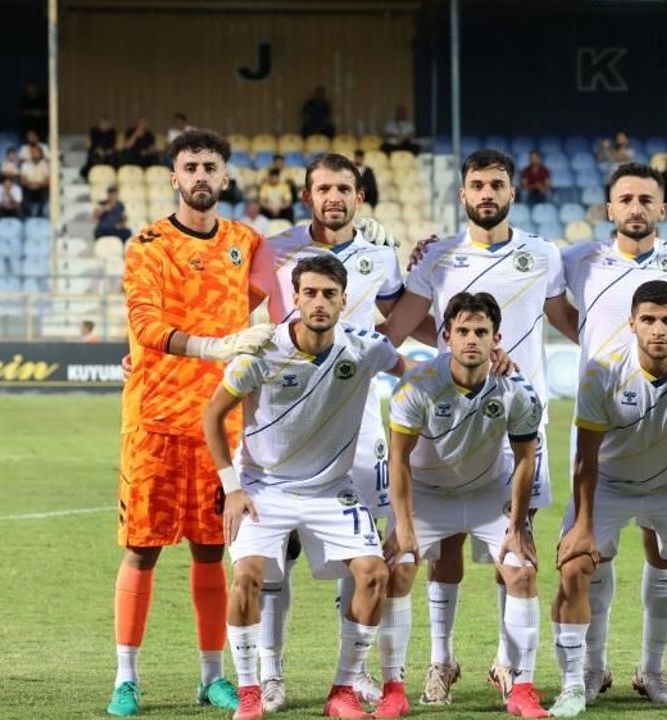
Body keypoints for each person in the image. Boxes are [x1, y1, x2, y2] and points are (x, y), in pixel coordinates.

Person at [377, 149, 576, 710]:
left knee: (516, 548)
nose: (487, 193)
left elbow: (570, 322)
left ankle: (509, 665)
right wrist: (463, 353)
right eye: (477, 185)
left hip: (518, 422)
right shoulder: (438, 256)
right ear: (462, 194)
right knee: (446, 551)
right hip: (449, 426)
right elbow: (399, 327)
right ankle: (441, 661)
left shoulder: (543, 254)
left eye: (496, 184)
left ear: (513, 192)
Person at [105, 130, 280, 718]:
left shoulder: (246, 242)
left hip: (218, 426)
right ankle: (126, 678)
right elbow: (146, 325)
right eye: (190, 167)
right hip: (153, 421)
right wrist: (213, 346)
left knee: (210, 551)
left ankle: (213, 676)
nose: (200, 175)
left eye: (210, 166)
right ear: (174, 178)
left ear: (225, 177)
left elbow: (288, 279)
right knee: (142, 550)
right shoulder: (147, 245)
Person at [203, 254, 410, 720]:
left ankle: (343, 691)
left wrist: (481, 364)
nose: (319, 303)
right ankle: (251, 693)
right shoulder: (260, 352)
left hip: (330, 490)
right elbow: (212, 416)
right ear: (295, 298)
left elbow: (419, 373)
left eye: (329, 294)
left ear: (344, 300)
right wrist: (232, 487)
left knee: (374, 574)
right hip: (263, 487)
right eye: (310, 293)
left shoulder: (366, 347)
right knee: (247, 577)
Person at [254, 154, 406, 713]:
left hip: (358, 420)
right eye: (323, 188)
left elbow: (403, 319)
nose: (334, 197)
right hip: (287, 417)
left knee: (362, 547)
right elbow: (233, 311)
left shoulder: (381, 256)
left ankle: (354, 673)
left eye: (344, 188)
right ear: (307, 196)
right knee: (277, 551)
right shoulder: (274, 250)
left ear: (360, 196)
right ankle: (270, 674)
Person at [558, 163, 667, 708]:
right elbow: (552, 308)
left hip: (666, 426)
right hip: (603, 423)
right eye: (625, 199)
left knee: (664, 555)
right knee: (590, 558)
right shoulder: (578, 259)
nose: (635, 208)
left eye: (646, 199)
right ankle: (592, 671)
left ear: (662, 209)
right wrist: (595, 346)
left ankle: (653, 672)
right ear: (609, 209)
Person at [548, 280, 667, 719]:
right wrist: (583, 526)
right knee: (575, 566)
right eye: (648, 320)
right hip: (608, 484)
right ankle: (578, 682)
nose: (658, 329)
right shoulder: (601, 371)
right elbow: (585, 458)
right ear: (632, 324)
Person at [383, 292, 550, 719]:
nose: (471, 339)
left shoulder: (517, 389)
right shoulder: (417, 384)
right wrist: (404, 525)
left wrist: (517, 526)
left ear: (497, 338)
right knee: (397, 569)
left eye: (481, 331)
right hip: (428, 494)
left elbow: (526, 458)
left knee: (522, 572)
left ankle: (522, 687)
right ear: (447, 337)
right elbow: (398, 459)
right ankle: (398, 686)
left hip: (487, 494)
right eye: (462, 331)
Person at [20, 145, 50, 217]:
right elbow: (23, 181)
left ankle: (43, 215)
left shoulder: (46, 165)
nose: (34, 154)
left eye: (36, 152)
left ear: (41, 153)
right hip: (28, 188)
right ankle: (27, 216)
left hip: (42, 189)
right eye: (32, 152)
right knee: (24, 193)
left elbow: (47, 182)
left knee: (45, 192)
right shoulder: (25, 164)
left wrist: (36, 184)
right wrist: (34, 184)